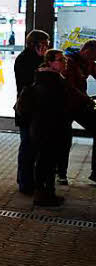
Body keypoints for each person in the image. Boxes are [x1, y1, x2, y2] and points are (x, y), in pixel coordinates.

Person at [16, 49, 96, 207]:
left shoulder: (54, 78)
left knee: (48, 161)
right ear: (50, 63)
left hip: (47, 127)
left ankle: (48, 193)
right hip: (47, 128)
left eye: (64, 60)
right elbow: (60, 102)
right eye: (60, 60)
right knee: (46, 161)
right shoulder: (49, 80)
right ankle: (43, 194)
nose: (64, 62)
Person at [14, 30, 49, 197]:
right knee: (28, 145)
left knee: (31, 146)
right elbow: (30, 83)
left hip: (33, 109)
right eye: (44, 43)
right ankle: (25, 182)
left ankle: (26, 180)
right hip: (27, 109)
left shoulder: (35, 58)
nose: (47, 47)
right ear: (36, 44)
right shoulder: (25, 60)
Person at [59, 40, 96, 185]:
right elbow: (70, 87)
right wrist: (87, 99)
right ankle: (60, 173)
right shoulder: (69, 61)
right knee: (64, 139)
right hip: (66, 106)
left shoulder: (87, 62)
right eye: (93, 57)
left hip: (79, 104)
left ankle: (95, 173)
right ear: (86, 51)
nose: (93, 60)